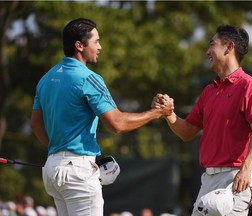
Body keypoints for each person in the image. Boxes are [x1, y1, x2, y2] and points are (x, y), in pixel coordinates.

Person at [30, 18, 173, 216]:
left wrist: (60, 154)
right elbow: (117, 124)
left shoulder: (45, 79)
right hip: (77, 173)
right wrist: (157, 113)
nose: (100, 47)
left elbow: (36, 125)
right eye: (96, 41)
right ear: (79, 45)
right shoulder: (88, 78)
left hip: (52, 169)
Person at [153, 24, 252, 216]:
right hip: (208, 180)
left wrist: (246, 168)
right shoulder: (208, 91)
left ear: (229, 47)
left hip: (235, 179)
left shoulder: (250, 87)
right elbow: (187, 131)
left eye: (212, 44)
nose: (207, 51)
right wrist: (168, 114)